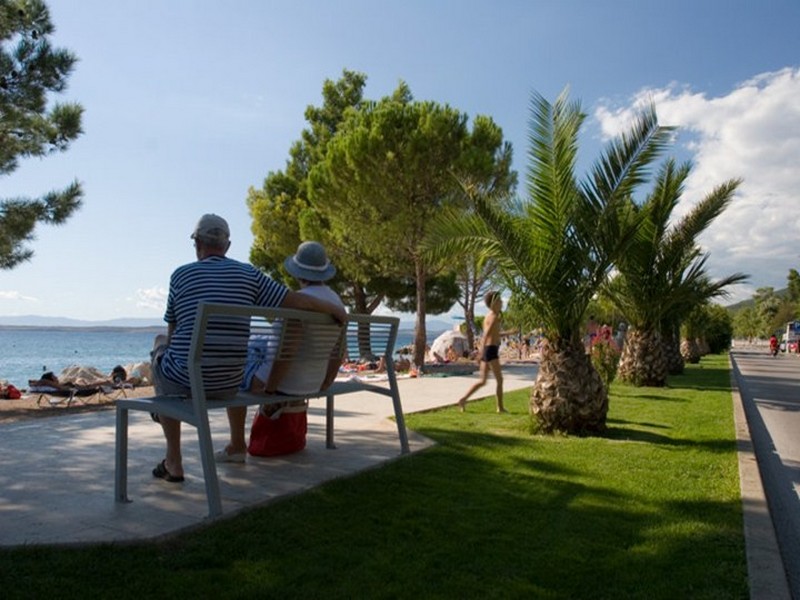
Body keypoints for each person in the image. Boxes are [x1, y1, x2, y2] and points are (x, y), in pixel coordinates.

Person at [150, 215, 346, 483]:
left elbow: (172, 333)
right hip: (229, 382)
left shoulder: (180, 275)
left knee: (160, 345)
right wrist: (335, 309)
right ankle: (236, 443)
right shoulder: (249, 274)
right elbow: (295, 301)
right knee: (231, 356)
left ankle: (173, 459)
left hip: (186, 382)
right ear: (228, 246)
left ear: (197, 244)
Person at [220, 241, 346, 460]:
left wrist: (270, 391)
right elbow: (339, 350)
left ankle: (236, 445)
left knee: (233, 368)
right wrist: (326, 381)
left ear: (298, 272)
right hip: (313, 382)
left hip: (284, 384)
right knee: (258, 345)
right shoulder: (337, 304)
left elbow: (288, 350)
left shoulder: (297, 303)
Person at [457, 290, 505, 413]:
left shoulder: (489, 316)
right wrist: (480, 352)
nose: (501, 303)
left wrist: (509, 333)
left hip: (488, 350)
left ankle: (463, 399)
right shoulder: (494, 317)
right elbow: (486, 334)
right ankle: (500, 408)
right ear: (493, 303)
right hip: (491, 350)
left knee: (482, 381)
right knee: (500, 380)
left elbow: (494, 334)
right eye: (499, 301)